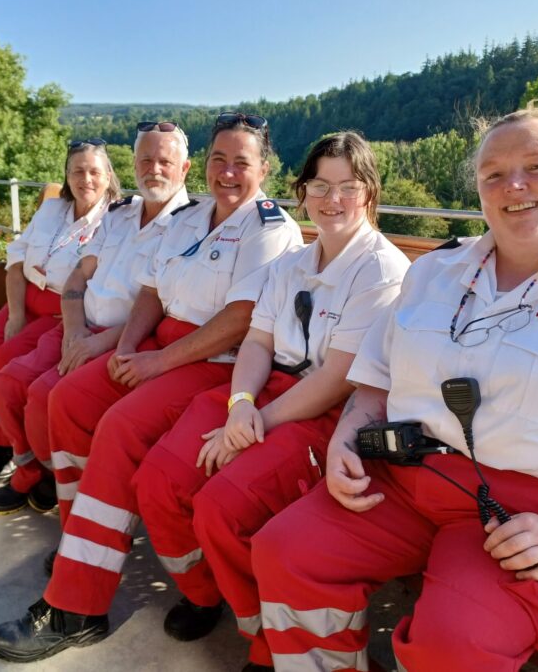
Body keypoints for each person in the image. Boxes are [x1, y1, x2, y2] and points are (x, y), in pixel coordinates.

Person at [250, 106, 538, 672]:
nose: (514, 186)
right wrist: (346, 437)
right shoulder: (434, 272)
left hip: (531, 515)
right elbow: (375, 381)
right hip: (404, 481)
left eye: (537, 166)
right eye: (494, 174)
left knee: (454, 644)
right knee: (285, 552)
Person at [0, 112, 303, 663]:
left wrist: (155, 363)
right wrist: (131, 348)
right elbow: (151, 292)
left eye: (242, 163)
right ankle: (84, 544)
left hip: (220, 360)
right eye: (219, 160)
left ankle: (78, 604)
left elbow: (241, 319)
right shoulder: (191, 216)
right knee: (70, 399)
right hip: (161, 345)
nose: (227, 173)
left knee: (120, 430)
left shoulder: (269, 226)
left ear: (266, 168)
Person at [133, 132, 410, 671]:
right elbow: (258, 342)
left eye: (348, 187)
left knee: (221, 508)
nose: (333, 200)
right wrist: (239, 405)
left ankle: (270, 644)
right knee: (160, 479)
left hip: (330, 412)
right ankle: (214, 596)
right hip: (262, 394)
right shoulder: (294, 264)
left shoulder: (380, 271)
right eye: (320, 186)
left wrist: (254, 421)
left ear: (369, 193)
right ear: (302, 191)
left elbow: (337, 377)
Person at [0, 123, 192, 515]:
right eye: (146, 159)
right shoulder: (120, 214)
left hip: (123, 338)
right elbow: (79, 275)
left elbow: (161, 308)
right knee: (9, 382)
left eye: (166, 161)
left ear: (185, 168)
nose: (154, 169)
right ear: (132, 164)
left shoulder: (190, 227)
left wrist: (97, 342)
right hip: (77, 326)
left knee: (46, 396)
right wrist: (74, 329)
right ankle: (33, 472)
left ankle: (60, 488)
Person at [0, 139, 117, 485]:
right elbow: (16, 262)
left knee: (5, 358)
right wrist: (14, 315)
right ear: (67, 175)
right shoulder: (51, 209)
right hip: (23, 298)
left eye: (93, 172)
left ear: (108, 177)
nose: (85, 179)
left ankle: (2, 447)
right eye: (77, 171)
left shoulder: (114, 220)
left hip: (58, 311)